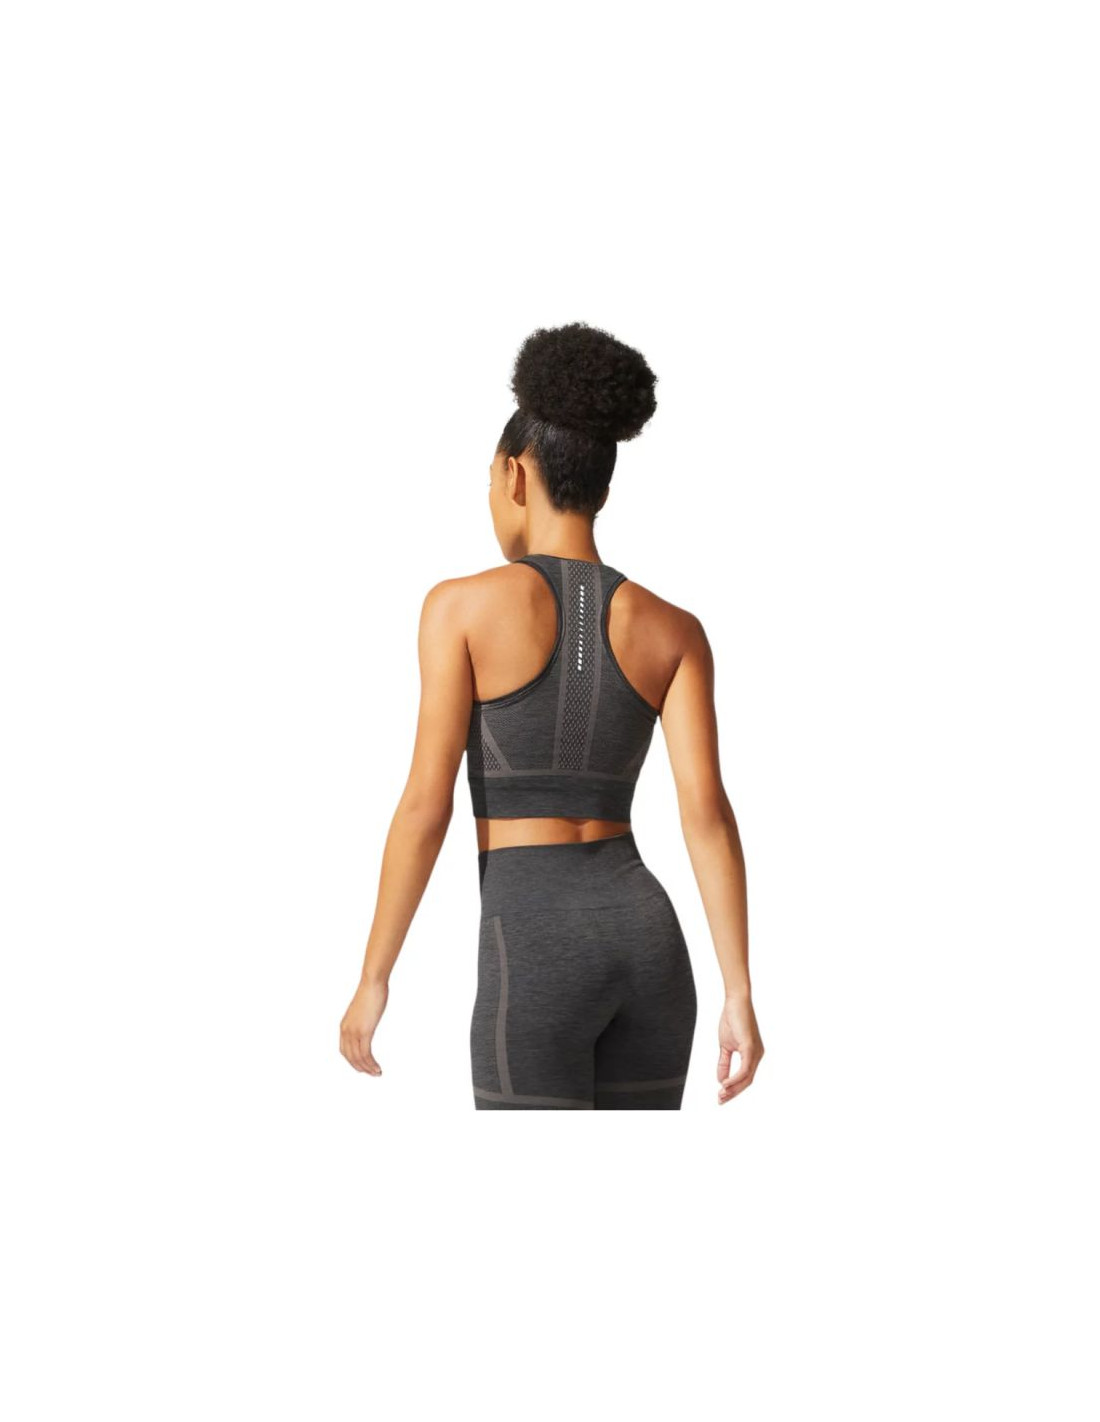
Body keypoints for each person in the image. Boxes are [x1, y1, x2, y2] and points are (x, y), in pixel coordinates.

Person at [339, 321, 763, 1110]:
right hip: (650, 946)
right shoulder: (676, 631)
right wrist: (738, 990)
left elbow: (426, 806)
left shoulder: (459, 608)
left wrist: (374, 977)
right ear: (602, 486)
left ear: (514, 475)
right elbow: (707, 814)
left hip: (534, 950)